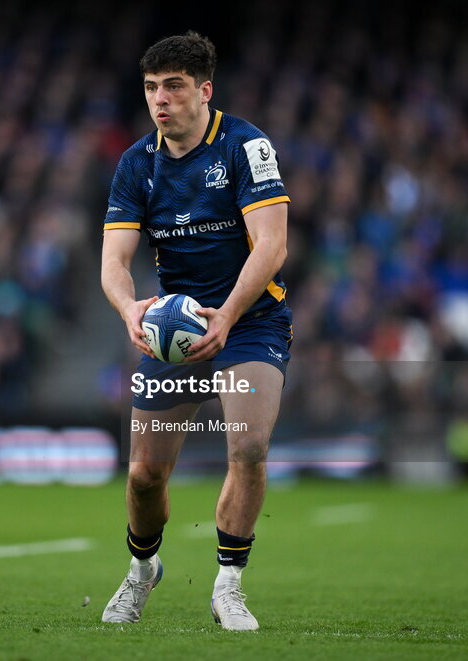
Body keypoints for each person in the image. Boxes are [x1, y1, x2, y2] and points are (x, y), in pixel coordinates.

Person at [99, 31, 291, 631]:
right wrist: (131, 312)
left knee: (249, 447)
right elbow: (113, 262)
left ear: (204, 91)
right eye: (152, 88)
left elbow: (273, 245)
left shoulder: (245, 146)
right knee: (144, 475)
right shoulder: (136, 164)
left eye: (174, 87)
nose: (161, 99)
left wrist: (228, 316)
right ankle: (141, 572)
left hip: (249, 321)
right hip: (172, 331)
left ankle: (228, 587)